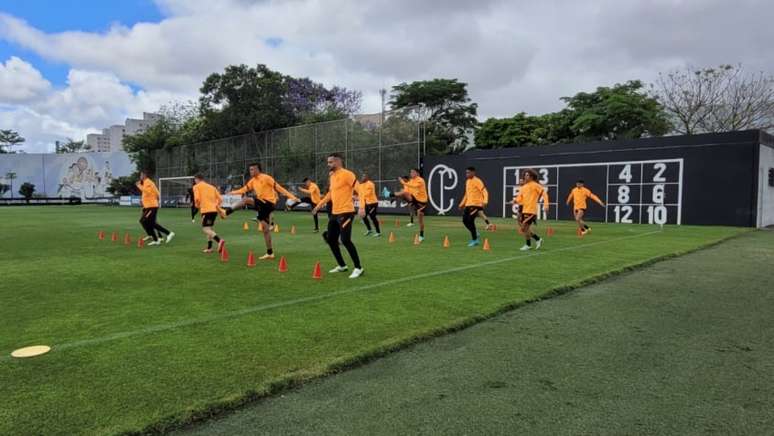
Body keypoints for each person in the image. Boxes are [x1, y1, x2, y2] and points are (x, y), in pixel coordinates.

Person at [224, 163, 299, 260]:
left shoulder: (266, 178)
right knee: (265, 230)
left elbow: (279, 188)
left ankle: (226, 212)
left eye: (252, 169)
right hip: (262, 205)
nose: (250, 171)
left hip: (268, 203)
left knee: (246, 200)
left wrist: (292, 197)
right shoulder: (252, 181)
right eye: (250, 169)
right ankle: (270, 253)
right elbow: (243, 189)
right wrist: (232, 192)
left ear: (258, 170)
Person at [312, 153, 364, 279]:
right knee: (331, 239)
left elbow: (360, 189)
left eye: (331, 162)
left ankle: (358, 268)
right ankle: (342, 265)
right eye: (328, 162)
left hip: (346, 212)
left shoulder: (347, 174)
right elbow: (330, 194)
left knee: (345, 240)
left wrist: (361, 207)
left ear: (338, 162)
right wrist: (319, 206)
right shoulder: (332, 176)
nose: (328, 164)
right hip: (335, 213)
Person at [136, 170, 175, 246]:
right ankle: (156, 239)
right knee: (146, 222)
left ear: (144, 175)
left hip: (152, 206)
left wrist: (139, 186)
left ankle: (169, 233)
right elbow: (156, 193)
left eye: (141, 175)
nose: (140, 177)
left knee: (146, 221)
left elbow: (148, 192)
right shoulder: (147, 183)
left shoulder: (148, 182)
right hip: (149, 206)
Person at [514, 169, 548, 251]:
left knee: (523, 228)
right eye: (525, 175)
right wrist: (514, 201)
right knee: (525, 229)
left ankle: (531, 242)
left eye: (527, 175)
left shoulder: (535, 185)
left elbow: (544, 194)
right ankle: (535, 240)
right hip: (525, 210)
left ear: (532, 177)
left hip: (532, 210)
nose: (525, 176)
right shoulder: (524, 187)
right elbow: (519, 198)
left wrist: (546, 205)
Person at [192, 174, 226, 254]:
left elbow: (197, 199)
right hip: (214, 211)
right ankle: (210, 248)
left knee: (205, 229)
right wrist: (215, 206)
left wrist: (197, 206)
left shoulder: (196, 187)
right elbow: (220, 199)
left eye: (195, 180)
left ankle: (219, 240)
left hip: (206, 211)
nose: (194, 181)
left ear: (197, 179)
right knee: (209, 229)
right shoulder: (212, 187)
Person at [458, 167, 489, 247]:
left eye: (468, 173)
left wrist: (485, 201)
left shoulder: (478, 181)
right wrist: (462, 204)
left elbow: (484, 191)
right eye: (466, 173)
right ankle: (475, 233)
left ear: (473, 173)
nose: (467, 174)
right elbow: (466, 194)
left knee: (470, 221)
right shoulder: (467, 181)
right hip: (468, 204)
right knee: (464, 220)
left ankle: (475, 240)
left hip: (476, 205)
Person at [395, 168, 428, 242]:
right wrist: (398, 195)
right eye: (411, 172)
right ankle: (390, 194)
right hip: (415, 200)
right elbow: (407, 191)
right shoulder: (411, 181)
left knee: (420, 221)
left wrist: (403, 182)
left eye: (413, 172)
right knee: (404, 192)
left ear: (417, 173)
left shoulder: (420, 180)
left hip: (422, 202)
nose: (411, 173)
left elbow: (414, 186)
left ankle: (421, 235)